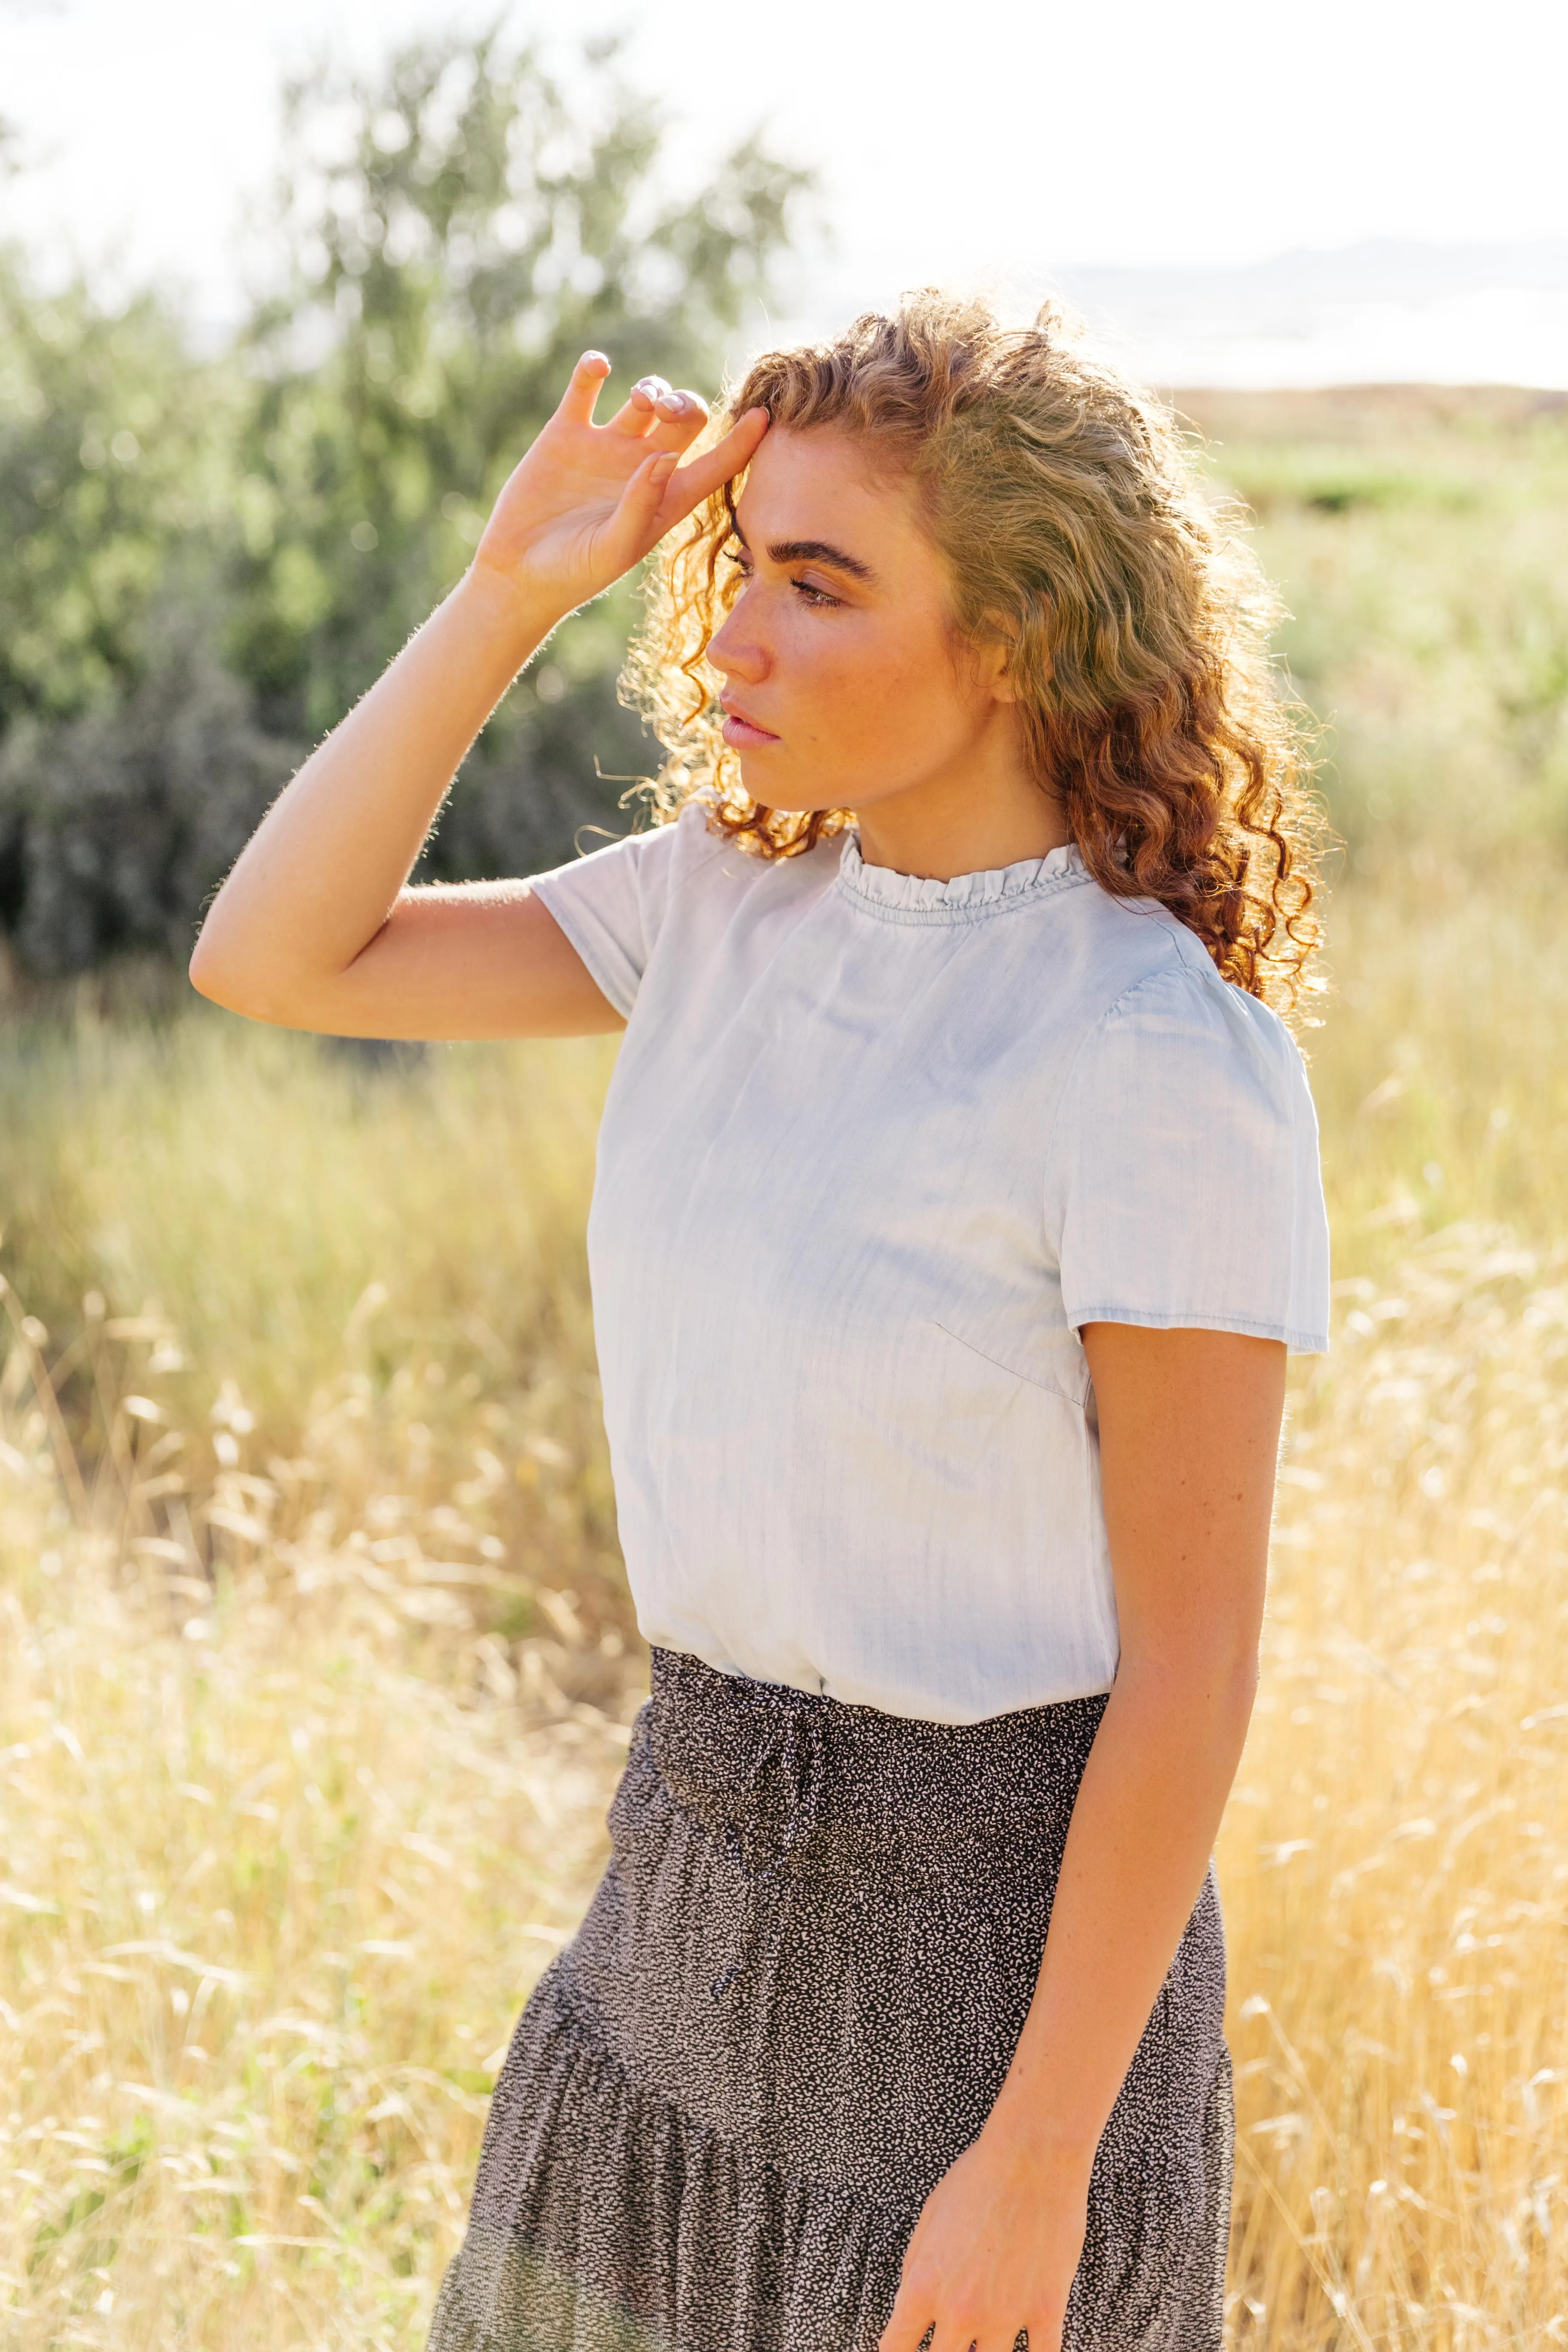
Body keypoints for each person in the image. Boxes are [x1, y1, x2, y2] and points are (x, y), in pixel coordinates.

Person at [191, 293, 1331, 2352]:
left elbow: (1194, 1662)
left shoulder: (1157, 1049)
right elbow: (277, 955)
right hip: (668, 1933)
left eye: (818, 584)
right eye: (745, 569)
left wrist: (1039, 2161)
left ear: (1018, 631)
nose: (736, 637)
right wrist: (502, 594)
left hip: (992, 2011)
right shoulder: (715, 905)